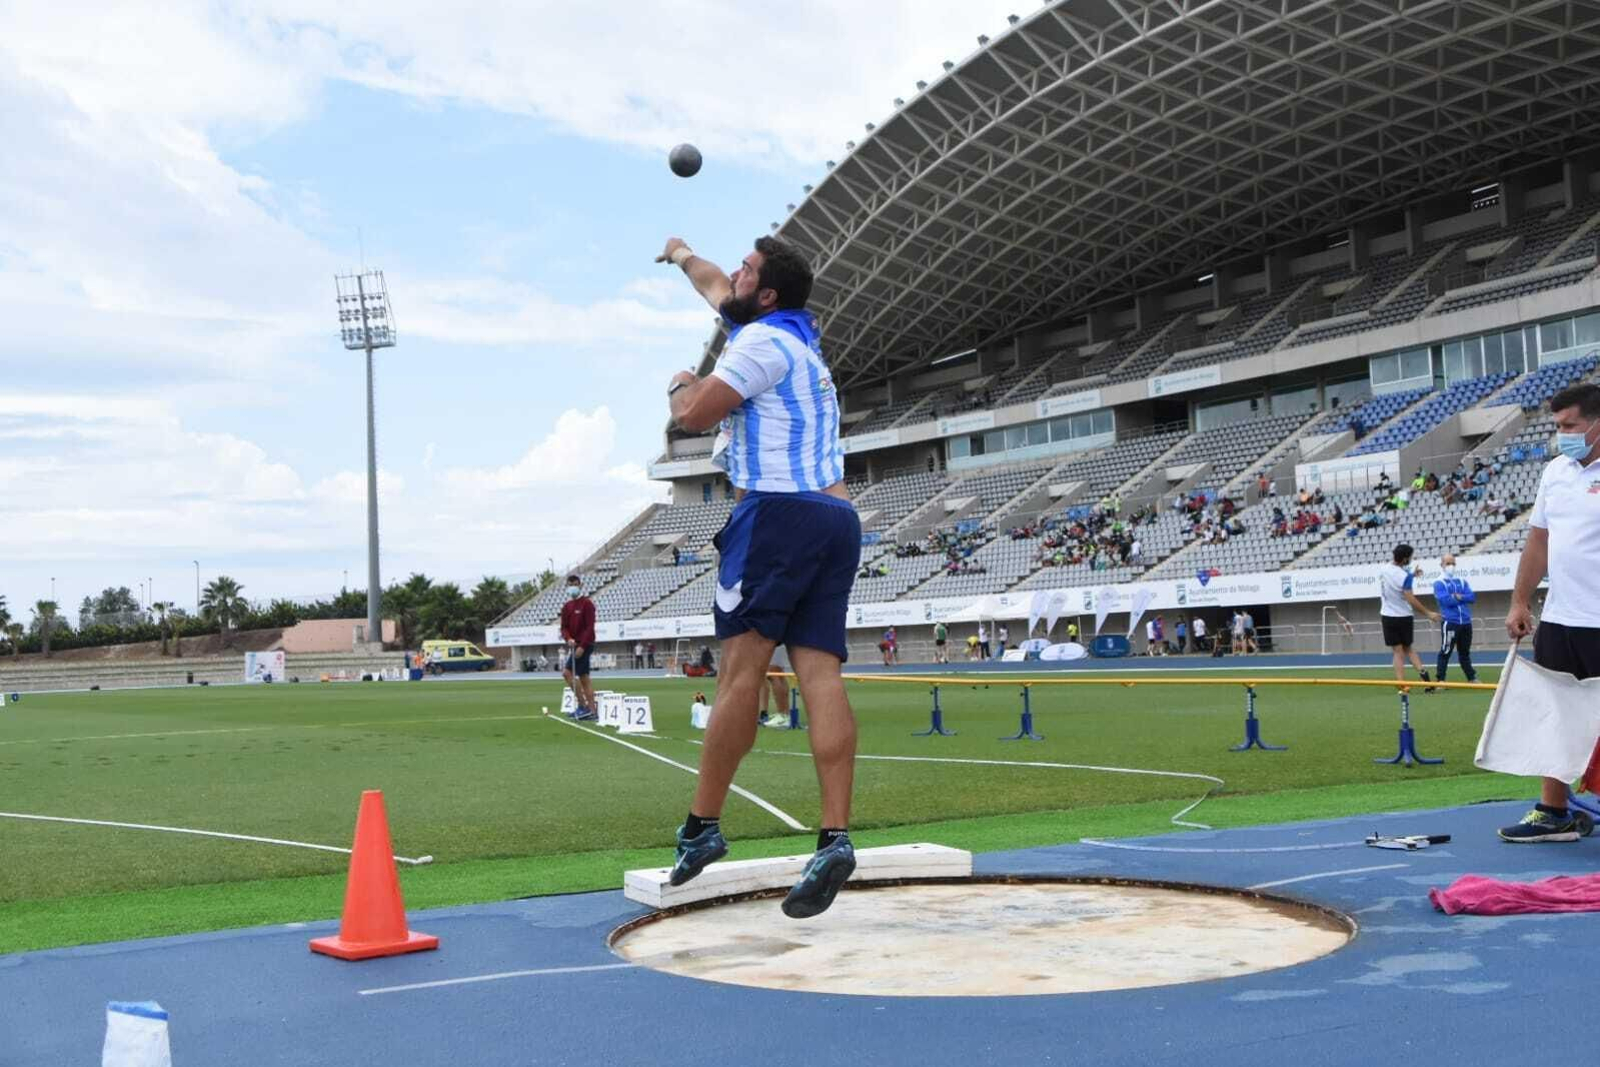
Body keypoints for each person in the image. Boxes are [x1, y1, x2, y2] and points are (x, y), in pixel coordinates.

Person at [655, 231, 859, 917]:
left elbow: (692, 415)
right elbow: (715, 284)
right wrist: (681, 255)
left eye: (747, 270)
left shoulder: (760, 342)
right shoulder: (796, 338)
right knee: (820, 675)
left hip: (775, 514)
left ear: (767, 294)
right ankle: (834, 839)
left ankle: (702, 826)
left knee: (739, 675)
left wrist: (680, 382)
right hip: (835, 518)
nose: (734, 275)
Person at [1500, 383, 1600, 843]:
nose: (1563, 435)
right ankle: (1553, 812)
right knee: (1556, 715)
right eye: (1558, 426)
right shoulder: (1556, 472)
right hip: (1560, 618)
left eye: (1571, 426)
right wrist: (1520, 600)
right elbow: (1539, 540)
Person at [1377, 544, 1440, 689]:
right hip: (1404, 616)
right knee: (1408, 649)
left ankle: (1402, 684)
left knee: (1397, 651)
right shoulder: (1404, 576)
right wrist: (1428, 613)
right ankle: (1426, 678)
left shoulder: (1383, 569)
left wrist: (1412, 575)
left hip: (1388, 615)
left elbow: (1395, 577)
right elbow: (1410, 598)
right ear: (1405, 559)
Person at [1432, 553, 1478, 686]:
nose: (1451, 566)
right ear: (1442, 565)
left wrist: (1459, 597)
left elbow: (1472, 597)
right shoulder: (1439, 583)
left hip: (1466, 622)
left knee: (1465, 653)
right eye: (1448, 563)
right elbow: (1446, 601)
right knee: (1446, 651)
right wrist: (1461, 598)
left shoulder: (1462, 581)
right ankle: (1441, 680)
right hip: (1450, 622)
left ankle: (1471, 678)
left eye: (1453, 563)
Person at [559, 574, 598, 720]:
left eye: (575, 584)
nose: (573, 587)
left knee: (567, 673)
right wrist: (568, 638)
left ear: (580, 585)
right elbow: (564, 627)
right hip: (574, 645)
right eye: (570, 585)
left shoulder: (587, 604)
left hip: (585, 645)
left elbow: (590, 627)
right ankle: (591, 711)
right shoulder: (567, 606)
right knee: (584, 677)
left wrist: (582, 646)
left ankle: (584, 706)